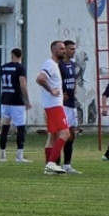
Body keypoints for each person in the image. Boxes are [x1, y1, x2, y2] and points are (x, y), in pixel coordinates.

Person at [36, 40, 71, 176]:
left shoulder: (54, 65)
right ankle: (51, 163)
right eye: (61, 48)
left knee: (52, 136)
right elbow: (40, 79)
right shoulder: (50, 64)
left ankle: (48, 167)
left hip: (52, 105)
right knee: (65, 134)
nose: (64, 51)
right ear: (53, 50)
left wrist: (60, 93)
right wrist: (51, 90)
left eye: (64, 48)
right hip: (54, 106)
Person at [0, 47, 31, 163]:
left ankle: (2, 155)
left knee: (5, 128)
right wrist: (27, 100)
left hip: (5, 100)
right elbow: (23, 85)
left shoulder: (3, 67)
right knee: (20, 128)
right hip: (17, 101)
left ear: (12, 54)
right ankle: (19, 156)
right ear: (21, 56)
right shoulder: (20, 68)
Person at [59, 39, 80, 174]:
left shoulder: (72, 65)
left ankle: (67, 165)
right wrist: (60, 94)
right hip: (63, 105)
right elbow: (54, 81)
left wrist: (74, 91)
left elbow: (74, 80)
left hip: (72, 104)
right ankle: (55, 163)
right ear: (65, 49)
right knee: (62, 134)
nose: (73, 51)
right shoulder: (59, 65)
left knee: (72, 134)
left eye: (74, 49)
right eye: (71, 49)